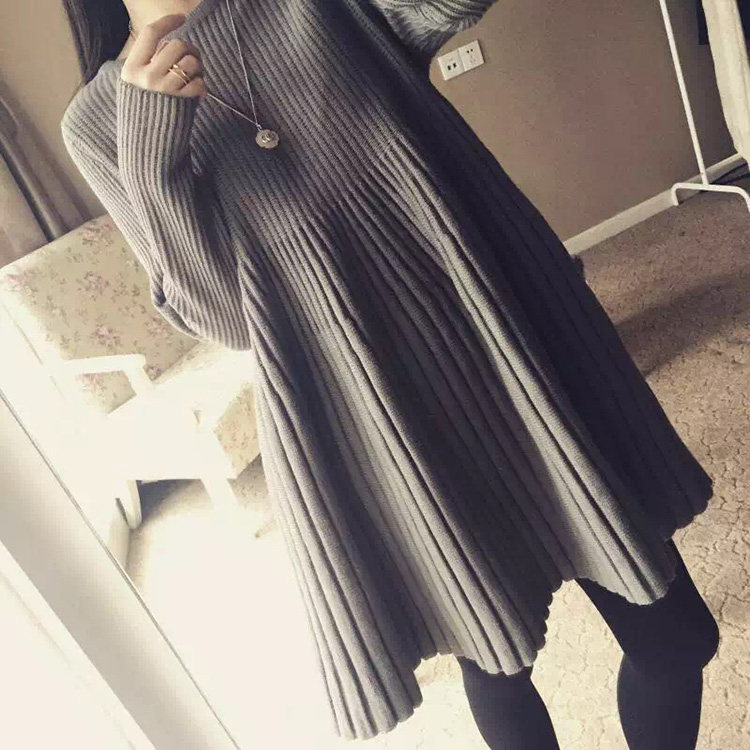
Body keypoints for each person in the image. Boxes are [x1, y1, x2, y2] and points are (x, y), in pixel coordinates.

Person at [59, 2, 720, 746]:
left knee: (679, 639)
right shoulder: (99, 122)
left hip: (507, 340)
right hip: (375, 412)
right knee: (495, 652)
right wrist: (153, 150)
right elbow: (228, 318)